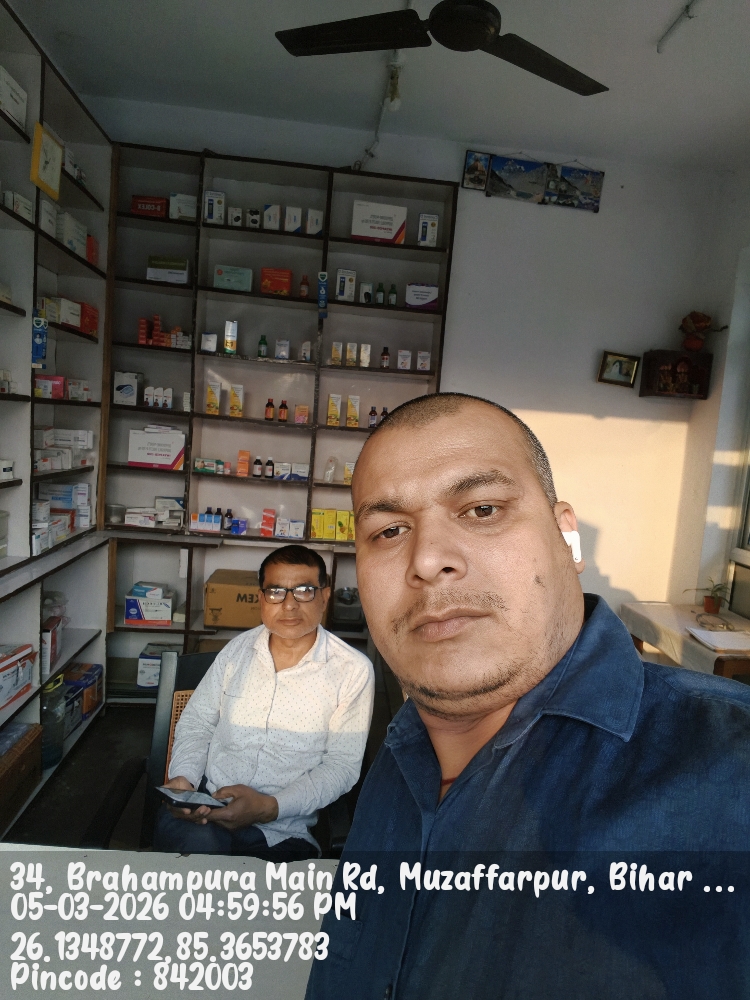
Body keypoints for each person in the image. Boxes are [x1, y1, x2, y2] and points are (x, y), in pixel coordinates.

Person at [306, 392, 750, 1000]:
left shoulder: (730, 771)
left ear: (567, 536)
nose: (427, 560)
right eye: (389, 530)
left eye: (482, 509)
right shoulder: (402, 750)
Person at [154, 544, 374, 860]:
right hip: (205, 809)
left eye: (304, 591)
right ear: (261, 598)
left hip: (282, 832)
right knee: (199, 862)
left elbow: (341, 766)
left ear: (324, 596)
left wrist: (270, 807)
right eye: (276, 592)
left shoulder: (352, 671)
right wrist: (184, 779)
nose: (289, 605)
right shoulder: (236, 652)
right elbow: (198, 722)